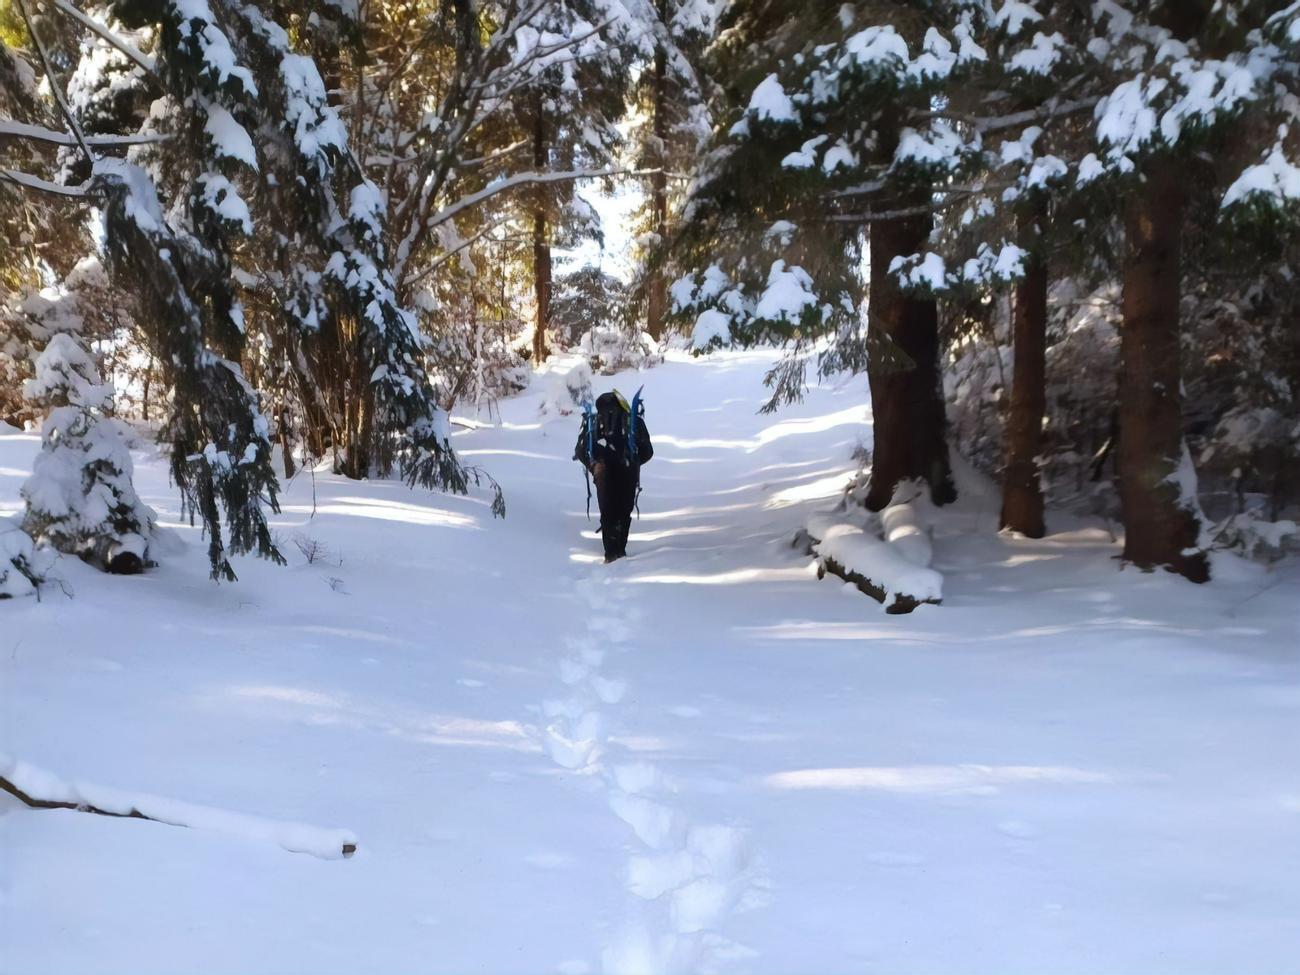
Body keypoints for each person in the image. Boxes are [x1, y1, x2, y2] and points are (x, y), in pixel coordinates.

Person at [574, 388, 653, 562]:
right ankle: (620, 550)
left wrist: (593, 467)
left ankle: (610, 553)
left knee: (607, 511)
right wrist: (635, 463)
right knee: (624, 511)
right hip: (628, 469)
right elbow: (648, 451)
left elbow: (580, 451)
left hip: (602, 471)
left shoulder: (592, 422)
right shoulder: (633, 421)